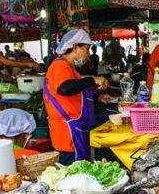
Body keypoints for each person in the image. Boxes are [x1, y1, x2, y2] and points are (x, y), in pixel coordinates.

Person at [43, 29, 114, 164]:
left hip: (76, 131)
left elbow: (75, 94)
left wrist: (97, 98)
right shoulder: (60, 65)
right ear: (75, 47)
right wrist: (92, 79)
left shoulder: (71, 69)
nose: (87, 54)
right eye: (86, 49)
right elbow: (64, 88)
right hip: (67, 134)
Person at [0, 13, 42, 137]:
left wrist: (6, 77)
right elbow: (4, 61)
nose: (1, 30)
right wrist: (28, 64)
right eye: (0, 27)